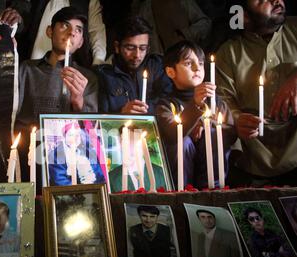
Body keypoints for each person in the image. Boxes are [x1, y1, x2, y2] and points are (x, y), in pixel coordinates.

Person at [16, 6, 98, 193]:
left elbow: (91, 127)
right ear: (49, 31)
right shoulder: (26, 69)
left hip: (67, 159)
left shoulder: (87, 78)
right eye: (64, 26)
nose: (71, 32)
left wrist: (78, 99)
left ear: (81, 41)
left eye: (78, 30)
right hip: (27, 153)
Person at [216, 0, 297, 187]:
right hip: (252, 157)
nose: (276, 1)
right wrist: (237, 119)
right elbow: (223, 101)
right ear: (243, 14)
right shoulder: (229, 52)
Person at [156, 40, 237, 189]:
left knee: (213, 134)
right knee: (183, 141)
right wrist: (196, 105)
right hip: (180, 179)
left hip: (212, 179)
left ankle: (213, 190)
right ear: (170, 72)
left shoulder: (215, 101)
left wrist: (206, 125)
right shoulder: (166, 104)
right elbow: (171, 133)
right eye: (188, 64)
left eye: (200, 63)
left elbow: (231, 133)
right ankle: (183, 192)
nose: (197, 68)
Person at [96, 15, 172, 114]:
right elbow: (101, 116)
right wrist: (122, 113)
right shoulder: (105, 75)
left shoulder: (157, 66)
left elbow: (170, 100)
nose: (137, 55)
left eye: (142, 48)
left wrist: (147, 109)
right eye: (130, 48)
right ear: (117, 47)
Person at [19, 0, 107, 66]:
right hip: (33, 56)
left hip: (73, 62)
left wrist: (97, 63)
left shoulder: (89, 2)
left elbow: (96, 32)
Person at [133, 0, 212, 56]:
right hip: (158, 62)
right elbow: (139, 32)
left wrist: (185, 34)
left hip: (183, 56)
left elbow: (205, 23)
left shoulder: (184, 2)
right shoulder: (146, 7)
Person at [108, 125, 167, 192]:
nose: (127, 145)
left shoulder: (161, 173)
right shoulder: (112, 177)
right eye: (123, 141)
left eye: (132, 140)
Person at [48, 121, 106, 186]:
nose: (75, 138)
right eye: (71, 135)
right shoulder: (55, 155)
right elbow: (60, 181)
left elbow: (98, 171)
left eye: (78, 135)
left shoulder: (86, 149)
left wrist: (102, 186)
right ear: (65, 137)